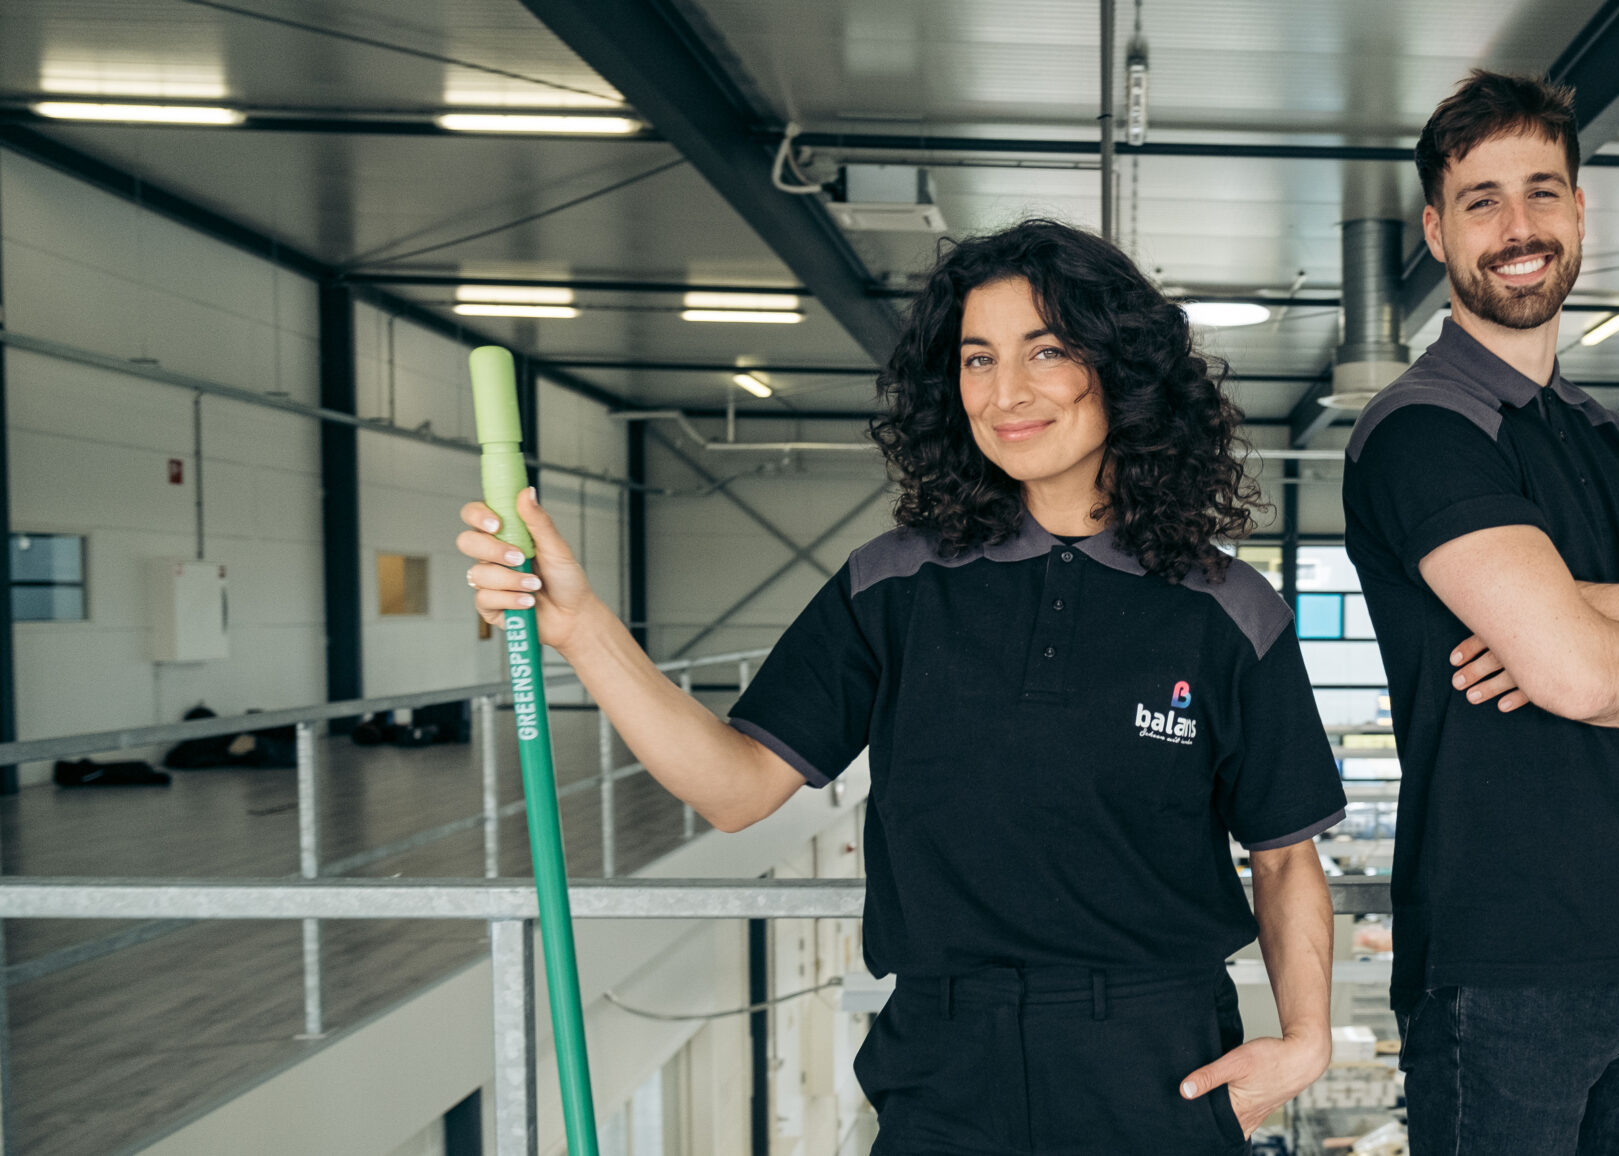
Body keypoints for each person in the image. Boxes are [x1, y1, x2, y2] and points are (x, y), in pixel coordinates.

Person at [455, 219, 1346, 1155]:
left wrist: (1307, 1040)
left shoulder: (1230, 610)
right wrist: (582, 624)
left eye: (1046, 350)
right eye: (976, 358)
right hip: (943, 1068)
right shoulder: (893, 585)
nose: (1006, 392)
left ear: (1120, 369)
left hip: (1159, 1064)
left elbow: (1285, 854)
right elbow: (733, 788)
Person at [1341, 72, 1619, 1154]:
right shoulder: (1422, 431)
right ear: (1436, 230)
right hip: (1500, 970)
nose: (1518, 227)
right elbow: (1580, 678)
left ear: (1579, 211)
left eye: (1542, 192)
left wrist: (1611, 605)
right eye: (1482, 200)